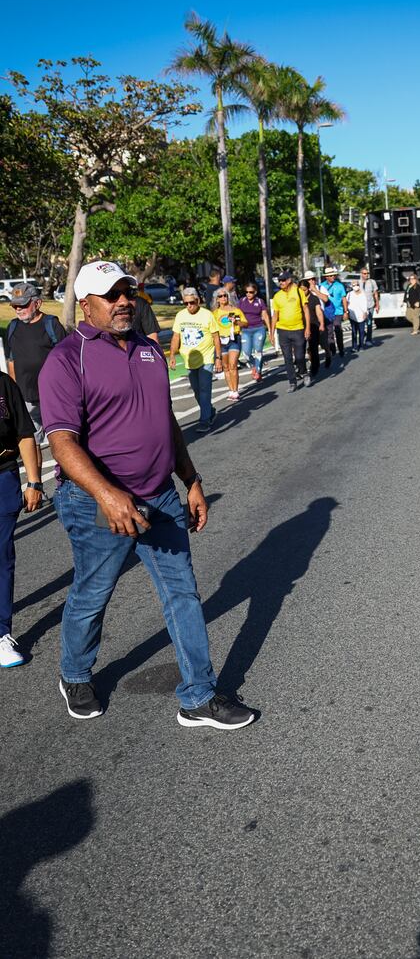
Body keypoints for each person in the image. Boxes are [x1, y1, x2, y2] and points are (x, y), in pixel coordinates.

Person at [39, 261, 254, 728]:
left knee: (183, 594)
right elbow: (62, 442)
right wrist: (107, 495)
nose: (122, 302)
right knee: (93, 592)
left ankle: (198, 697)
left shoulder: (147, 348)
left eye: (127, 293)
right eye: (110, 295)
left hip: (161, 496)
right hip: (97, 501)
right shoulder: (66, 359)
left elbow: (165, 421)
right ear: (86, 304)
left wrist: (191, 479)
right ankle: (75, 673)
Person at [0, 370, 43, 669]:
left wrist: (35, 481)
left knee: (1, 558)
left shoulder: (4, 384)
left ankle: (1, 633)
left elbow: (25, 433)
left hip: (3, 477)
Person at [5, 283, 67, 475]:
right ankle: (37, 485)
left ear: (37, 303)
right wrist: (14, 393)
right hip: (26, 397)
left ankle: (69, 478)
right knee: (33, 442)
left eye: (22, 305)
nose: (18, 310)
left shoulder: (52, 325)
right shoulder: (12, 327)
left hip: (54, 395)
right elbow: (11, 361)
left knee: (63, 439)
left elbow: (67, 360)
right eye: (15, 306)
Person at [169, 287, 222, 433]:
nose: (189, 306)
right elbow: (176, 336)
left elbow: (216, 337)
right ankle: (209, 411)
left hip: (206, 358)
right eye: (185, 303)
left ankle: (204, 420)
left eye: (191, 302)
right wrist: (172, 355)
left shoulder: (207, 315)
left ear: (198, 301)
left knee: (205, 389)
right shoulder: (180, 315)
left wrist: (218, 358)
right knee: (197, 391)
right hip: (189, 360)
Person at [271, 271, 310, 393]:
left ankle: (303, 372)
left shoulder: (298, 291)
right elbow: (275, 315)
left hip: (298, 329)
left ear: (289, 280)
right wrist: (271, 333)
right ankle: (292, 382)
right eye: (280, 280)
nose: (281, 283)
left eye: (283, 280)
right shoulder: (277, 296)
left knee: (299, 356)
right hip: (283, 330)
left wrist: (307, 327)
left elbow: (306, 310)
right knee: (287, 358)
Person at [211, 289, 247, 401]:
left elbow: (245, 323)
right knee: (226, 367)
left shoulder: (236, 310)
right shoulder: (214, 313)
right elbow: (212, 329)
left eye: (225, 295)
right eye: (220, 296)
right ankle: (230, 390)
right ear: (217, 299)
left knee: (233, 365)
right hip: (221, 341)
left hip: (234, 339)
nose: (223, 298)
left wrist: (236, 322)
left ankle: (236, 391)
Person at [237, 282, 272, 382]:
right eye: (246, 292)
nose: (248, 294)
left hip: (258, 329)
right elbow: (237, 314)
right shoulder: (241, 301)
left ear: (255, 292)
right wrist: (238, 325)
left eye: (251, 292)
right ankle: (254, 365)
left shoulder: (260, 302)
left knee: (258, 351)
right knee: (246, 353)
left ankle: (258, 371)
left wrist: (269, 330)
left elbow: (265, 316)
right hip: (246, 330)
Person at [319, 267, 348, 360]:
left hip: (338, 311)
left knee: (337, 328)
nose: (333, 277)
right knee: (329, 332)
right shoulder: (321, 286)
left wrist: (345, 311)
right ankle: (332, 349)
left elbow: (344, 298)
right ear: (326, 277)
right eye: (330, 275)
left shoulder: (339, 285)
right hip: (327, 312)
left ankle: (341, 348)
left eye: (333, 275)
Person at [300, 271, 323, 379]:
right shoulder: (297, 300)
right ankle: (301, 369)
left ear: (308, 289)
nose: (302, 292)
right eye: (300, 290)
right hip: (300, 327)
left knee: (313, 348)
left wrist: (321, 323)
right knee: (301, 349)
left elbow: (319, 312)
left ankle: (315, 367)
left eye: (304, 290)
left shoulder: (314, 299)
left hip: (313, 325)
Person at [346, 281, 371, 352]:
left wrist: (365, 313)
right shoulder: (349, 294)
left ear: (359, 285)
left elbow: (365, 304)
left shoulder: (363, 294)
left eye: (356, 285)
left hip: (361, 315)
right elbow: (346, 303)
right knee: (354, 331)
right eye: (353, 285)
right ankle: (354, 346)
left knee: (361, 331)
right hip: (352, 316)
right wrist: (347, 312)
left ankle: (361, 346)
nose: (355, 286)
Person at [360, 268, 379, 345]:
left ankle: (368, 339)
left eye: (367, 273)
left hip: (370, 305)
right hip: (361, 307)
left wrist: (377, 304)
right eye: (364, 273)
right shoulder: (358, 283)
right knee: (360, 323)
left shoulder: (372, 282)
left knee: (369, 323)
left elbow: (375, 293)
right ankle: (364, 334)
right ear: (361, 274)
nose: (366, 275)